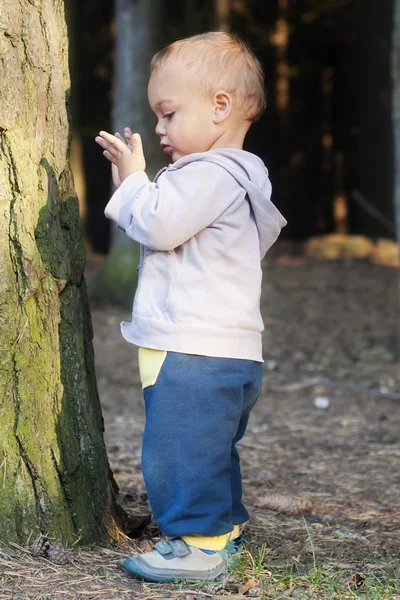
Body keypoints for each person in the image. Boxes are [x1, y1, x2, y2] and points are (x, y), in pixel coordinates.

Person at [95, 31, 287, 583]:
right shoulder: (235, 178)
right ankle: (222, 528)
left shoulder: (211, 173)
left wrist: (134, 183)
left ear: (220, 107)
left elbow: (160, 224)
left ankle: (199, 545)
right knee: (209, 448)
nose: (158, 129)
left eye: (169, 113)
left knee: (179, 450)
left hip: (195, 349)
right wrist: (140, 189)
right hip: (222, 349)